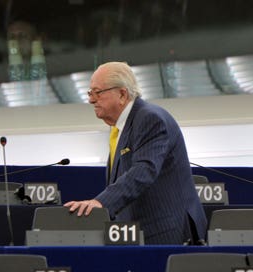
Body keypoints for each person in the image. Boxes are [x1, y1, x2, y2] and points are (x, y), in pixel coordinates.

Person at [64, 61, 207, 245]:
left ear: (122, 94)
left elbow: (144, 169)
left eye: (97, 93)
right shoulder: (121, 126)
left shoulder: (149, 118)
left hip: (168, 232)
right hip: (140, 233)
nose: (91, 99)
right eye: (90, 93)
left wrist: (102, 202)